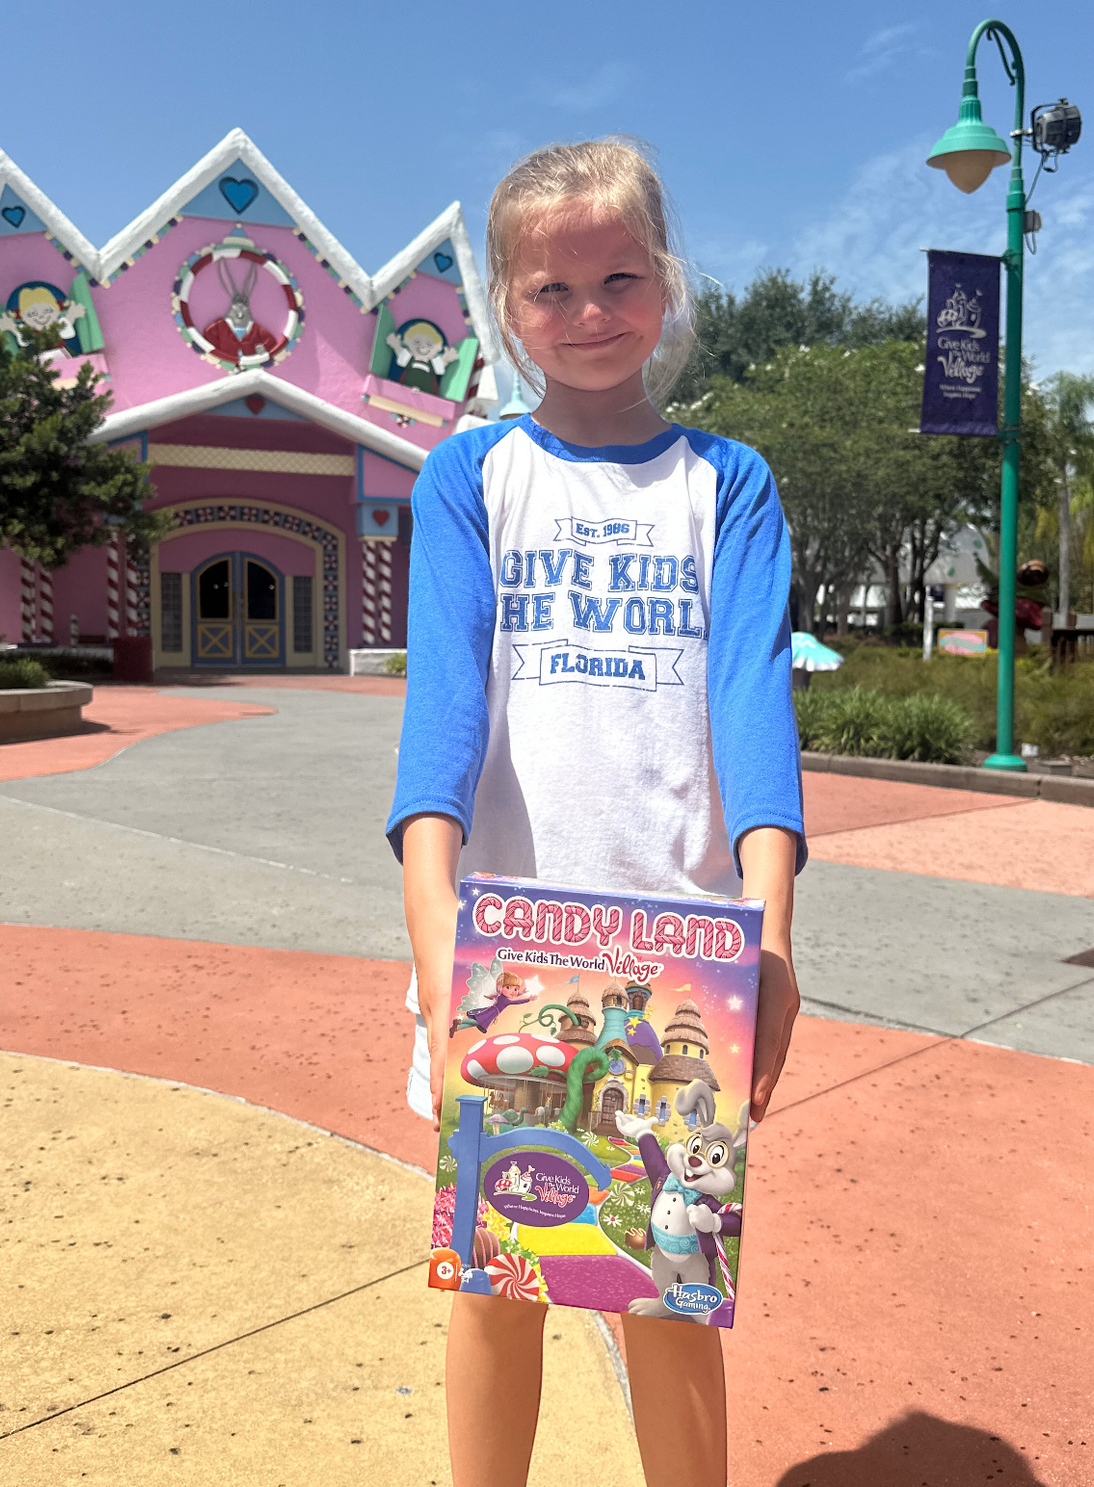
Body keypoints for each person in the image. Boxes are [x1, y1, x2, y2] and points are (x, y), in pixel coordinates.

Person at [387, 137, 804, 1487]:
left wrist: (774, 935)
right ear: (506, 308)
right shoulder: (471, 480)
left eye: (619, 277)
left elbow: (752, 707)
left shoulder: (724, 485)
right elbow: (439, 721)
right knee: (498, 1280)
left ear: (667, 283)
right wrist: (436, 940)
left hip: (680, 959)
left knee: (666, 1284)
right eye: (551, 291)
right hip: (502, 942)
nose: (588, 314)